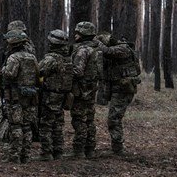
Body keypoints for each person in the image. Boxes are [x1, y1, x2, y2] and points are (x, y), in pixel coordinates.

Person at [97, 33, 141, 156]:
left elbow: (107, 51)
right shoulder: (117, 50)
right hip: (119, 89)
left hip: (123, 89)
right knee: (114, 118)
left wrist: (96, 41)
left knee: (114, 119)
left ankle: (118, 148)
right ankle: (117, 147)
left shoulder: (123, 48)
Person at [0, 30, 39, 163]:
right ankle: (25, 155)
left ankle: (14, 155)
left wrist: (3, 69)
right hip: (30, 95)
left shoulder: (14, 58)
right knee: (27, 126)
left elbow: (9, 74)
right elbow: (37, 74)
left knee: (16, 125)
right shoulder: (32, 57)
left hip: (15, 96)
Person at [37, 29, 73, 160]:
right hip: (63, 95)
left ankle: (46, 153)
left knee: (46, 125)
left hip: (51, 95)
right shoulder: (68, 58)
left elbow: (39, 71)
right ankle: (58, 151)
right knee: (58, 124)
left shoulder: (51, 58)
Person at [69, 21, 102, 159]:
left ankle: (79, 150)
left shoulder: (83, 50)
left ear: (83, 34)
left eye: (78, 32)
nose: (75, 34)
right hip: (92, 88)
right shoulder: (97, 49)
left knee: (79, 120)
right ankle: (90, 149)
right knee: (89, 119)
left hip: (81, 90)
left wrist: (65, 68)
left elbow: (78, 71)